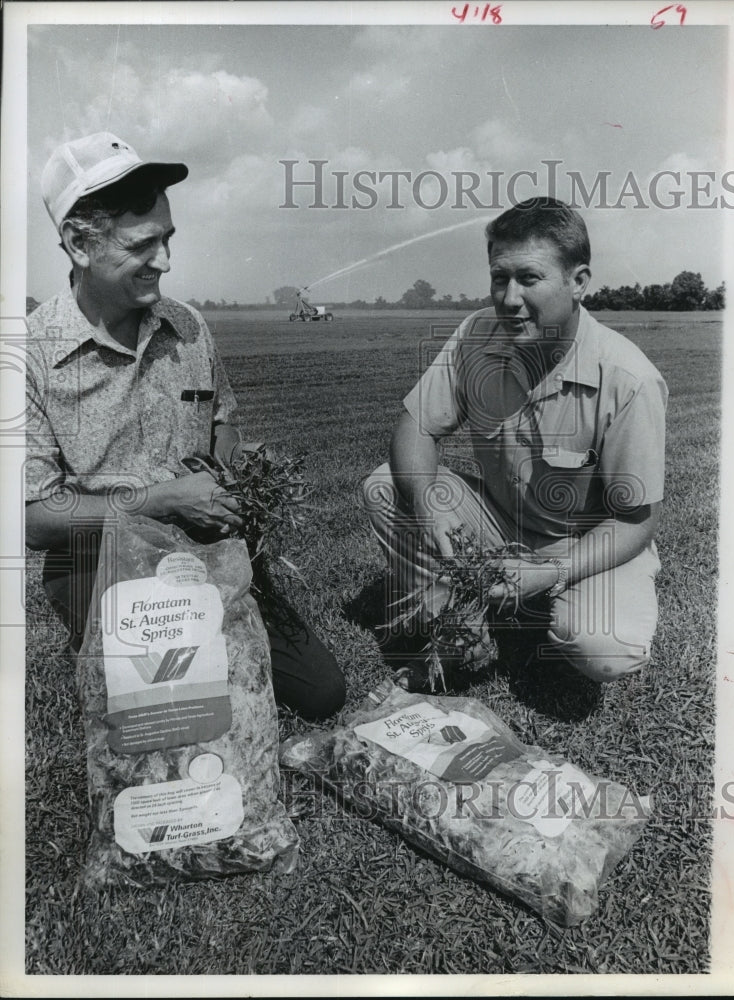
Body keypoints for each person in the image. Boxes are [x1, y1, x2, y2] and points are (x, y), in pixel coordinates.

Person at [26, 131, 345, 720]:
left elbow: (224, 419)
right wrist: (166, 500)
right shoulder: (30, 356)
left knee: (323, 694)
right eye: (144, 245)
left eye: (168, 239)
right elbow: (35, 518)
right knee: (181, 709)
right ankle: (110, 647)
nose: (166, 262)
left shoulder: (188, 325)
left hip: (205, 551)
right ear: (78, 243)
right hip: (98, 565)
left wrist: (230, 472)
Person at [364, 197, 668, 692]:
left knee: (605, 649)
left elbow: (635, 520)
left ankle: (535, 601)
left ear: (578, 282)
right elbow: (415, 426)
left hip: (588, 546)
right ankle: (454, 630)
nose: (508, 298)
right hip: (503, 525)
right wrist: (427, 504)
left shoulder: (628, 379)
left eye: (529, 278)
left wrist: (550, 572)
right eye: (499, 278)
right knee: (386, 486)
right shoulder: (476, 334)